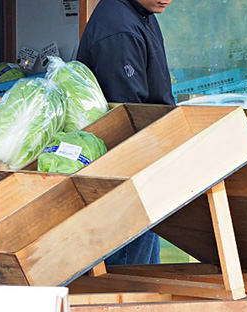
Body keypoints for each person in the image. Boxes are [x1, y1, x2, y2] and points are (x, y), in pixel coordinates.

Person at [77, 0, 175, 265]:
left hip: (140, 162)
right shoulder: (119, 28)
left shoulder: (141, 13)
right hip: (125, 169)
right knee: (132, 277)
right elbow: (127, 115)